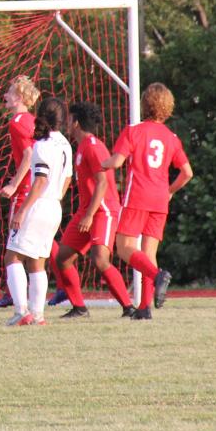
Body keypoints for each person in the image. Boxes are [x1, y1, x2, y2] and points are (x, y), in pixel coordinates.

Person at [102, 83, 192, 320]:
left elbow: (117, 162)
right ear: (168, 107)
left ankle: (158, 274)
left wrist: (102, 164)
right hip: (160, 200)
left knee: (124, 247)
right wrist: (170, 191)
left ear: (145, 104)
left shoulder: (134, 131)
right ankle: (144, 307)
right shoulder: (171, 137)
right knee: (148, 252)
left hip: (138, 196)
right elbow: (187, 173)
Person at [53, 102, 136, 318]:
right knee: (62, 257)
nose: (66, 124)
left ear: (76, 122)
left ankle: (129, 308)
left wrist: (90, 215)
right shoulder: (81, 146)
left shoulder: (93, 146)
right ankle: (79, 308)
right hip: (86, 211)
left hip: (103, 210)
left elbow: (103, 183)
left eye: (69, 120)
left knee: (100, 259)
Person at [0, 97, 74, 326]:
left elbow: (40, 181)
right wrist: (57, 196)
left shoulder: (41, 145)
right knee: (37, 262)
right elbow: (68, 177)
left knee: (12, 256)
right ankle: (37, 315)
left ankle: (22, 313)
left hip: (38, 205)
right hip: (54, 207)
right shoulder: (65, 144)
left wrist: (22, 211)